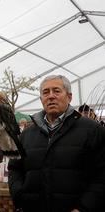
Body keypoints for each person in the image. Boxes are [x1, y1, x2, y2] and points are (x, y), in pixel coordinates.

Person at [8, 75, 105, 212]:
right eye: (45, 92)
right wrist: (19, 196)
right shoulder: (26, 135)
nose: (51, 96)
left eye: (57, 91)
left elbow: (101, 175)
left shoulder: (92, 131)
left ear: (69, 97)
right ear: (41, 99)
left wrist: (84, 207)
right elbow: (15, 169)